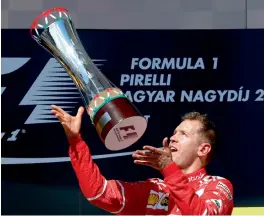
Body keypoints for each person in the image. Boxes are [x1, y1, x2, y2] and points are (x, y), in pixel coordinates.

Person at [51, 104, 234, 215]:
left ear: (203, 149)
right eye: (174, 132)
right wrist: (76, 141)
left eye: (183, 134)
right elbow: (99, 193)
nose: (173, 138)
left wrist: (170, 170)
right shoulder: (155, 189)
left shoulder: (217, 186)